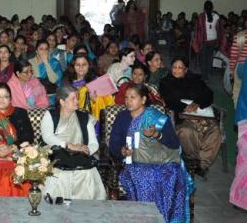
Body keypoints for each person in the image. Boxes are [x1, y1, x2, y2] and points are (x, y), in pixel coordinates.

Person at [109, 84, 193, 223]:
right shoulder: (122, 117)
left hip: (161, 162)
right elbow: (114, 144)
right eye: (126, 97)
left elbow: (174, 143)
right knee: (144, 176)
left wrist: (156, 134)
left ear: (143, 99)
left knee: (172, 174)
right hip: (134, 164)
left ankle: (166, 218)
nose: (128, 101)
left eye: (133, 97)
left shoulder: (156, 117)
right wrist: (122, 151)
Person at [41, 85, 106, 200]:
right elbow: (48, 137)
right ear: (62, 101)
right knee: (59, 173)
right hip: (57, 156)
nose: (77, 101)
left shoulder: (84, 117)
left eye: (77, 98)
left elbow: (93, 143)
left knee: (87, 173)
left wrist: (86, 149)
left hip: (81, 157)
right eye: (73, 99)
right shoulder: (51, 115)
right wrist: (68, 145)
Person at [159, 56, 220, 173]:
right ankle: (193, 161)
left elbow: (208, 94)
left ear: (186, 70)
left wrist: (197, 103)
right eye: (174, 67)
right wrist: (184, 107)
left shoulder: (196, 80)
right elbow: (168, 99)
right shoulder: (166, 82)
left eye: (180, 68)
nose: (176, 70)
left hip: (201, 115)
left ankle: (202, 164)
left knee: (215, 131)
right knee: (187, 132)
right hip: (182, 117)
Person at [64, 54, 114, 120]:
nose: (81, 67)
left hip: (92, 119)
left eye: (84, 64)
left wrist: (95, 100)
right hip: (71, 118)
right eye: (77, 65)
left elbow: (110, 104)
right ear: (73, 67)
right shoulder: (67, 82)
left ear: (89, 66)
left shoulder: (97, 81)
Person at [230, 62, 247, 210]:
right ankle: (239, 198)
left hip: (243, 117)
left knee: (244, 160)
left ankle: (239, 198)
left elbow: (238, 71)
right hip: (245, 118)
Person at [191, 0, 220, 81]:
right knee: (209, 58)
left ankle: (205, 76)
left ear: (204, 8)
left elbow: (197, 29)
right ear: (212, 7)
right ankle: (208, 73)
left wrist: (195, 40)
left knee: (203, 59)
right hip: (213, 40)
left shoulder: (201, 16)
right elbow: (218, 29)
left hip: (203, 40)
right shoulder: (217, 16)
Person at [229, 28, 247, 107]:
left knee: (237, 90)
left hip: (241, 66)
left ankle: (237, 109)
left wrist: (232, 71)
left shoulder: (240, 36)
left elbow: (233, 56)